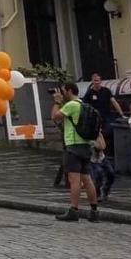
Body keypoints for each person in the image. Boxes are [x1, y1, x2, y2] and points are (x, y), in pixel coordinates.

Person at [52, 82, 100, 222]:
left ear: (69, 91)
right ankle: (94, 211)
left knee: (74, 180)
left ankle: (73, 210)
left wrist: (56, 102)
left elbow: (55, 117)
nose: (62, 93)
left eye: (63, 91)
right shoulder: (84, 105)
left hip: (73, 146)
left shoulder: (71, 105)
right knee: (87, 179)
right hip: (85, 145)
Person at [82, 73, 124, 153]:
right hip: (95, 118)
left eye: (98, 80)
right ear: (92, 81)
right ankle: (101, 150)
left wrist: (121, 114)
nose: (96, 82)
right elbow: (84, 105)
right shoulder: (89, 93)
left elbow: (114, 102)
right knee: (98, 134)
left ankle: (109, 149)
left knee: (109, 130)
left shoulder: (106, 91)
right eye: (95, 81)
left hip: (106, 115)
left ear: (100, 81)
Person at [89, 133, 115, 202]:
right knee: (98, 175)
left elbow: (102, 146)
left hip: (102, 158)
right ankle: (98, 194)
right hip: (92, 160)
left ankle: (105, 190)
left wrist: (99, 135)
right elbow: (99, 146)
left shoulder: (97, 132)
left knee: (111, 173)